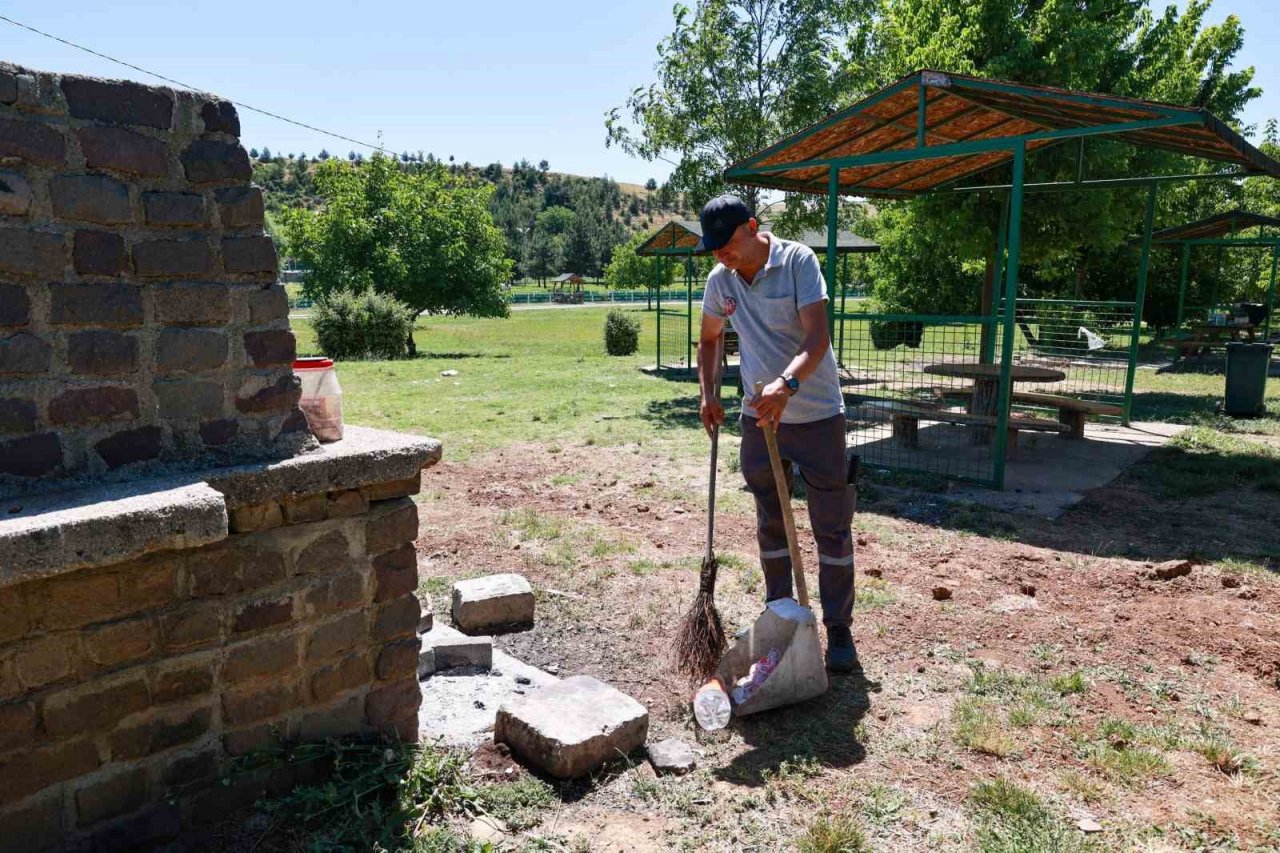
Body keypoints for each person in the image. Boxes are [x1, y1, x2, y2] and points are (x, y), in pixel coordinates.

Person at [695, 194, 857, 673]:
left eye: (727, 243)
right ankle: (780, 616)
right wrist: (708, 393)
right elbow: (708, 339)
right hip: (759, 420)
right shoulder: (720, 281)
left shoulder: (796, 261)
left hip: (817, 416)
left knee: (831, 527)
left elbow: (817, 337)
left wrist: (787, 384)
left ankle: (839, 630)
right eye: (714, 247)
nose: (720, 254)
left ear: (752, 226)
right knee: (770, 518)